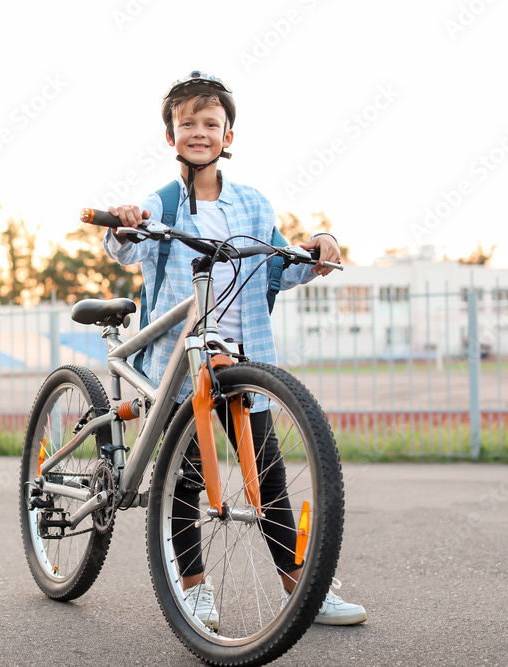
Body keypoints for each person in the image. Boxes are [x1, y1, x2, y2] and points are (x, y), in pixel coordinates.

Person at [103, 71, 366, 628]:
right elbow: (125, 249)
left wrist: (317, 247)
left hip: (239, 356)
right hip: (182, 361)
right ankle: (193, 589)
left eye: (211, 124)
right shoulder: (164, 202)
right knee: (188, 479)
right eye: (187, 123)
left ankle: (305, 590)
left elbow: (276, 263)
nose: (199, 132)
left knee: (267, 476)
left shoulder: (251, 202)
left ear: (228, 136)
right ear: (171, 137)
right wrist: (126, 224)